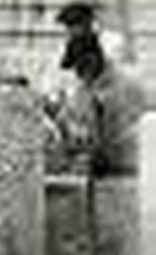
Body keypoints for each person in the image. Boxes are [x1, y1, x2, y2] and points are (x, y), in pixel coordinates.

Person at [57, 33, 146, 177]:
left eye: (81, 66)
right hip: (102, 172)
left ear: (93, 58)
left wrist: (102, 151)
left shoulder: (125, 84)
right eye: (76, 69)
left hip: (129, 169)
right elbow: (74, 121)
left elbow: (129, 133)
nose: (77, 73)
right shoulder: (84, 88)